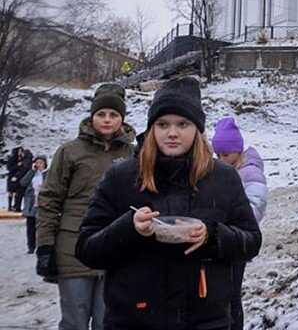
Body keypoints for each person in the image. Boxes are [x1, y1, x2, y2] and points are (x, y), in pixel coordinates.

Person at [76, 76, 262, 330]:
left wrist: (212, 235)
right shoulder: (121, 177)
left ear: (197, 129)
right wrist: (129, 228)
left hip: (205, 322)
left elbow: (251, 242)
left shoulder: (223, 177)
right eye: (163, 124)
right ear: (152, 128)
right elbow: (87, 249)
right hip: (133, 322)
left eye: (183, 124)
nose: (172, 133)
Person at [36, 83, 136, 330]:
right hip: (73, 249)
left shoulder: (134, 155)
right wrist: (45, 245)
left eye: (113, 115)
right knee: (75, 321)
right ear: (92, 117)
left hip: (115, 249)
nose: (106, 120)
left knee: (108, 321)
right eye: (101, 114)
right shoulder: (70, 152)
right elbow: (49, 200)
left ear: (122, 119)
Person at [212, 116, 268, 330]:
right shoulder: (226, 171)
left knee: (232, 295)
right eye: (217, 154)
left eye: (225, 154)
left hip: (238, 239)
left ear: (238, 151)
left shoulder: (250, 172)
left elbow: (256, 207)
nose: (220, 158)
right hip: (223, 238)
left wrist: (230, 225)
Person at [21, 155, 47, 254]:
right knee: (30, 226)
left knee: (43, 226)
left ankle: (42, 245)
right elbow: (23, 183)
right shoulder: (32, 174)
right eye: (37, 162)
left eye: (40, 162)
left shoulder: (47, 174)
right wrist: (32, 171)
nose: (38, 165)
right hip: (32, 203)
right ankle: (31, 246)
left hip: (43, 203)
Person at [6, 144, 22, 211]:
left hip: (17, 176)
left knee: (16, 191)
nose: (21, 152)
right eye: (20, 151)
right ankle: (9, 206)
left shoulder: (21, 158)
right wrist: (17, 166)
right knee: (11, 191)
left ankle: (15, 205)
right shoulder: (12, 158)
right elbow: (9, 168)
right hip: (11, 176)